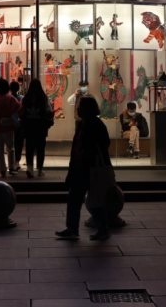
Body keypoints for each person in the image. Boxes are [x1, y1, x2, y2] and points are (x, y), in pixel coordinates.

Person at [56, 96, 112, 241]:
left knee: (89, 199)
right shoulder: (87, 124)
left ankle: (97, 228)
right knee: (79, 198)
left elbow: (99, 145)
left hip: (90, 167)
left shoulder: (92, 125)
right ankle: (76, 228)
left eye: (80, 106)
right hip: (82, 167)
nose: (78, 109)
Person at [18, 78, 53, 178]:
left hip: (29, 127)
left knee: (29, 148)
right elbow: (49, 110)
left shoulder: (26, 98)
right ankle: (40, 170)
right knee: (40, 149)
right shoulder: (43, 98)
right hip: (40, 127)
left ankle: (30, 169)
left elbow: (21, 111)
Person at [0, 78, 20, 178]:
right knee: (10, 148)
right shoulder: (10, 98)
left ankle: (2, 170)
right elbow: (18, 107)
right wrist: (10, 114)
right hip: (8, 127)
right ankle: (12, 168)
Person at [10, 80, 24, 171]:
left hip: (10, 124)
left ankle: (12, 163)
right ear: (18, 88)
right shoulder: (22, 98)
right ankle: (17, 162)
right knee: (19, 143)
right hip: (20, 123)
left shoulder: (8, 98)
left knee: (11, 144)